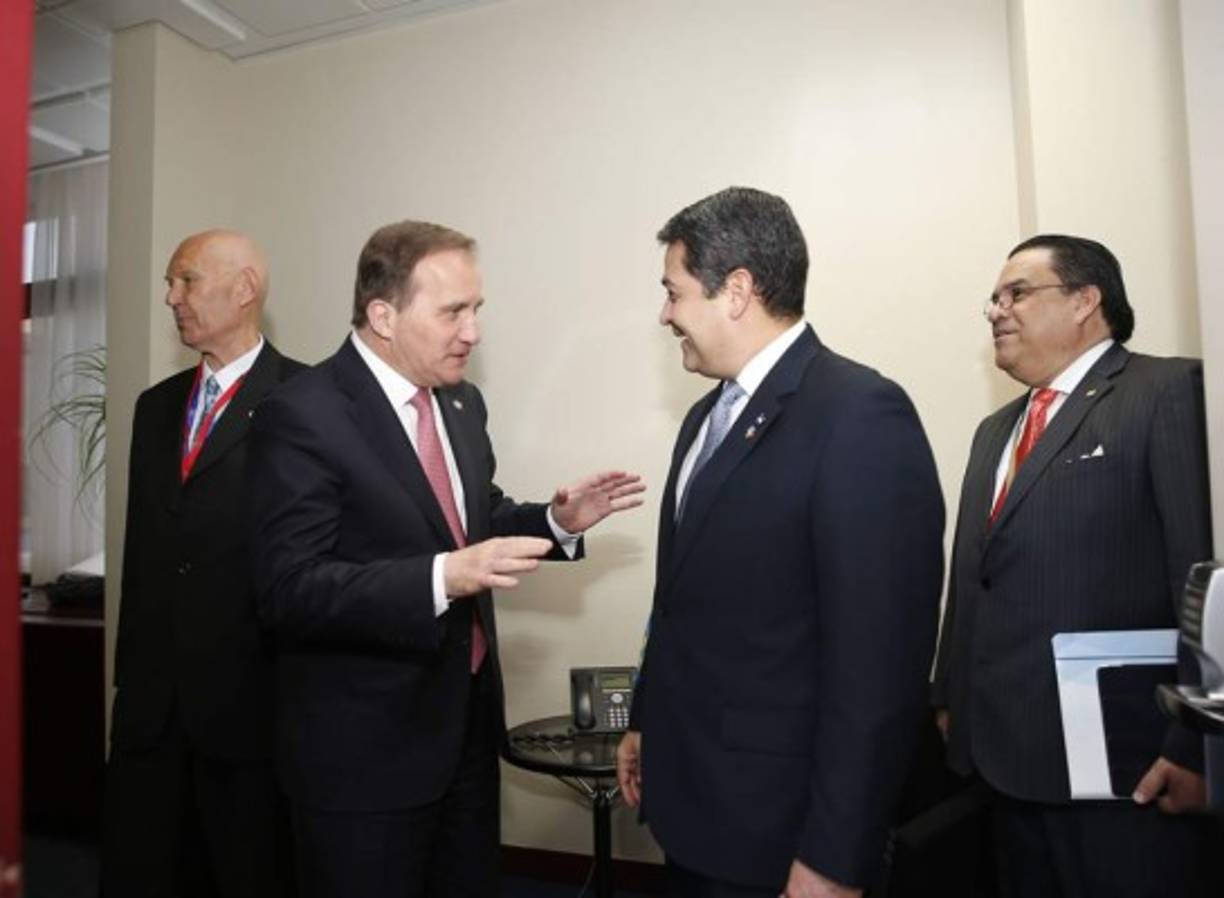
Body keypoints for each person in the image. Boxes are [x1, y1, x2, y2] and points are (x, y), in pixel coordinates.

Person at [246, 219, 644, 898]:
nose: (473, 332)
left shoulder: (460, 403)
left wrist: (556, 522)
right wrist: (441, 577)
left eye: (476, 308)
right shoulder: (303, 414)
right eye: (453, 311)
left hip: (465, 734)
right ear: (383, 316)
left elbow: (472, 519)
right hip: (363, 758)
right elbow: (289, 588)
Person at [616, 187, 945, 898]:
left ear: (736, 291)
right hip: (692, 802)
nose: (665, 314)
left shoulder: (859, 415)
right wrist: (645, 722)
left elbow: (880, 668)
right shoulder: (704, 419)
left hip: (782, 829)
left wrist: (836, 855)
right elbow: (678, 602)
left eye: (673, 292)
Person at [931, 234, 1215, 896]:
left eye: (1017, 293)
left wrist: (1197, 747)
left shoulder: (1166, 391)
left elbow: (1200, 578)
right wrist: (949, 696)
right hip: (1002, 762)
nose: (997, 310)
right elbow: (974, 578)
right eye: (993, 299)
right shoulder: (995, 432)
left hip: (1130, 767)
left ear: (1086, 300)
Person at [103, 229, 305, 897]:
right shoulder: (155, 408)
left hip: (252, 711)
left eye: (186, 280)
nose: (171, 297)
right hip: (152, 713)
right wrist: (129, 685)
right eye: (170, 282)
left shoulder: (308, 402)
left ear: (244, 289)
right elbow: (145, 556)